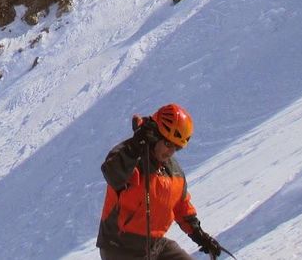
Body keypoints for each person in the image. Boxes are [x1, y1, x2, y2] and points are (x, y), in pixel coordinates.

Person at [96, 104, 223, 260]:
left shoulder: (174, 171)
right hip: (120, 248)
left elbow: (181, 206)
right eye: (168, 144)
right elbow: (113, 174)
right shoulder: (132, 156)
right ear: (155, 135)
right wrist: (134, 147)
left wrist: (200, 235)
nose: (170, 152)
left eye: (176, 147)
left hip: (155, 245)